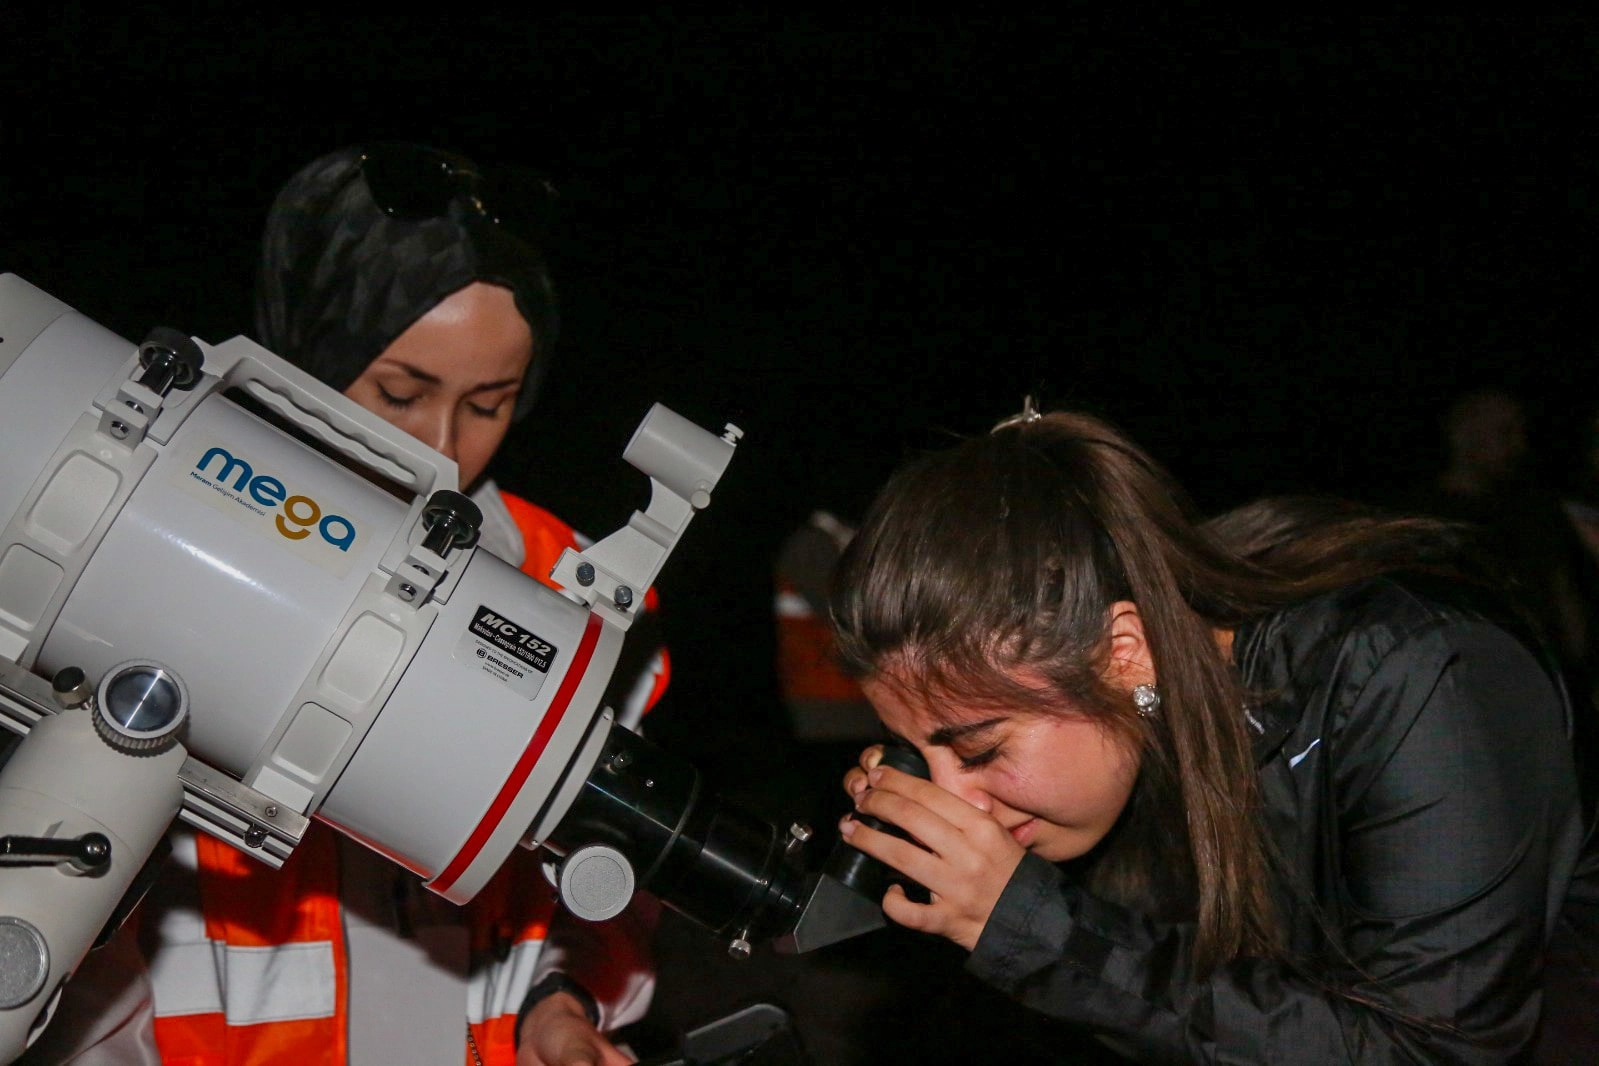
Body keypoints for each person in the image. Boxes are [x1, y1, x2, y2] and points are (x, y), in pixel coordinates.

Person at [24, 143, 661, 1066]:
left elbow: (610, 896)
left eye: (490, 404)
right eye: (400, 392)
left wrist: (560, 1005)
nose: (444, 449)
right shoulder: (151, 537)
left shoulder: (572, 592)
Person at [829, 402, 1599, 1063]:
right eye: (921, 753)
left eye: (979, 749)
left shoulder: (1419, 673)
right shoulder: (1147, 704)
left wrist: (1037, 931)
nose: (959, 802)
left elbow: (1430, 1049)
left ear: (1122, 650)